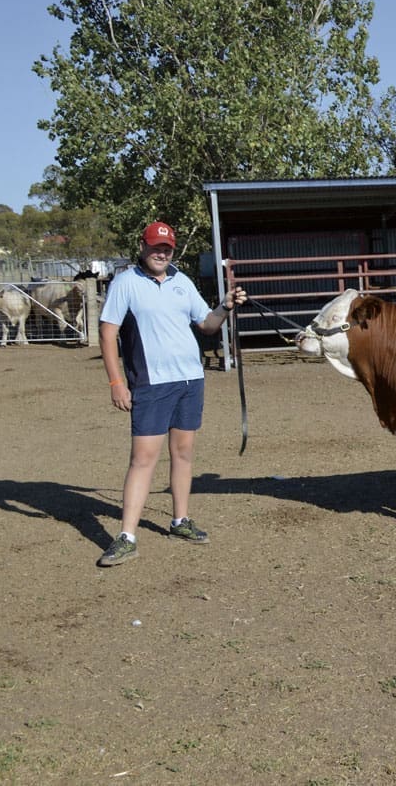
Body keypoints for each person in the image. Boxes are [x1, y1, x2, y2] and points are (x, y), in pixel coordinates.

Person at [97, 221, 247, 566]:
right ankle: (127, 536)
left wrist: (225, 306)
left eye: (167, 248)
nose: (161, 253)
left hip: (190, 380)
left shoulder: (183, 281)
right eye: (155, 247)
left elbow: (207, 325)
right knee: (143, 459)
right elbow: (108, 334)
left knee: (183, 454)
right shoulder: (125, 283)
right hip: (151, 383)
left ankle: (180, 521)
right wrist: (115, 382)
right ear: (142, 246)